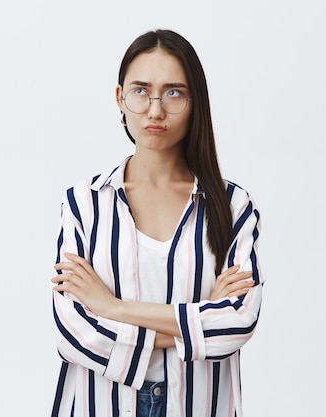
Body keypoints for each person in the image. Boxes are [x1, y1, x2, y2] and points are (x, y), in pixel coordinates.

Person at [49, 29, 263, 417]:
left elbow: (236, 323)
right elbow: (74, 334)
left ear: (194, 101)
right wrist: (200, 315)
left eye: (174, 92)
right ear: (120, 98)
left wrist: (111, 307)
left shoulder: (233, 206)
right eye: (141, 91)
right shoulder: (85, 203)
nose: (155, 109)